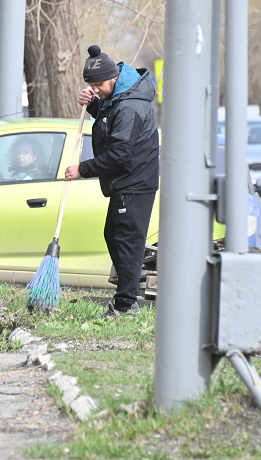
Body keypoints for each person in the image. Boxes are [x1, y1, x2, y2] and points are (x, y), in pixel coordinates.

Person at [64, 46, 159, 319]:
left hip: (135, 181)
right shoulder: (121, 96)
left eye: (98, 86)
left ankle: (125, 305)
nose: (95, 90)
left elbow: (118, 154)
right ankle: (128, 296)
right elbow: (110, 121)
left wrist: (82, 169)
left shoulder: (130, 105)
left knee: (127, 242)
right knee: (113, 235)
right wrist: (94, 105)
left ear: (113, 78)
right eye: (91, 86)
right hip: (127, 181)